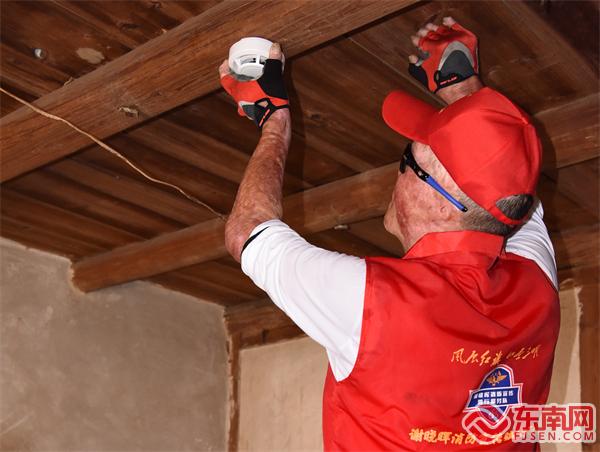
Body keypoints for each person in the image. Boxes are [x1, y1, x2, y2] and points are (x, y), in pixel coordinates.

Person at [219, 17, 559, 450]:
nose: (396, 174)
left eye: (408, 162)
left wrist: (274, 123)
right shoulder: (536, 288)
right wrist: (463, 92)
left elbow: (248, 232)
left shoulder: (371, 303)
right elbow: (510, 184)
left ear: (442, 205)